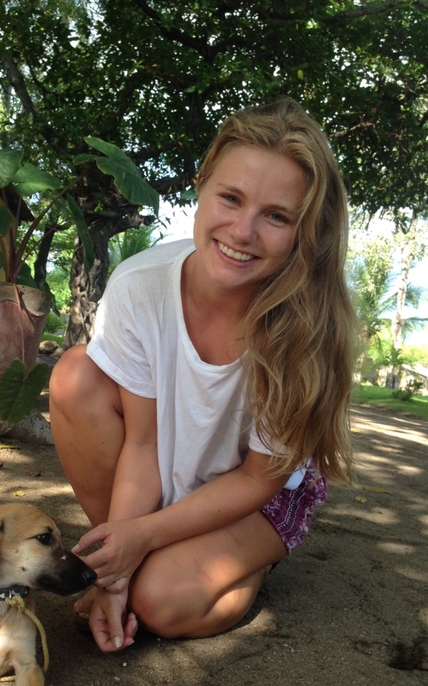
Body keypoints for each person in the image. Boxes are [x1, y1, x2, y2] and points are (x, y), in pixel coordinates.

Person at [49, 97, 356, 653]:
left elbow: (260, 477)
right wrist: (116, 571)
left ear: (305, 231)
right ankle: (134, 558)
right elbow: (142, 443)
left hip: (260, 492)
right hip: (168, 463)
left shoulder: (309, 327)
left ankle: (244, 561)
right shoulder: (139, 286)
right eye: (231, 198)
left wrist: (142, 538)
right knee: (74, 376)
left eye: (277, 216)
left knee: (160, 601)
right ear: (200, 186)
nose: (243, 231)